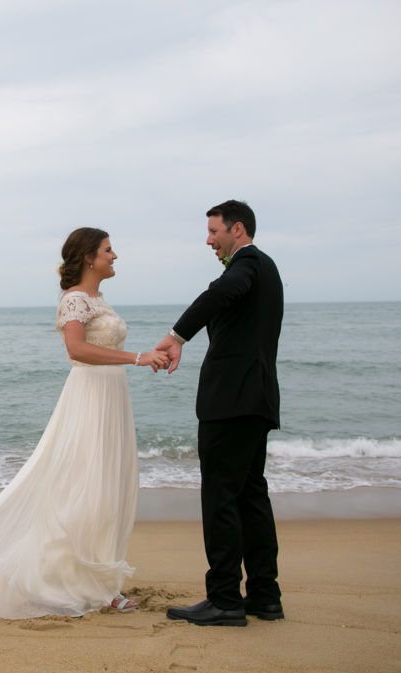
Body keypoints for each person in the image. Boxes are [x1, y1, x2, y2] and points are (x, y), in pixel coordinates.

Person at [0, 228, 170, 619]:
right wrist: (139, 357)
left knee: (108, 488)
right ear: (89, 258)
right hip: (89, 397)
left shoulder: (99, 299)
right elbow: (77, 349)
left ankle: (102, 581)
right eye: (108, 250)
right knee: (84, 488)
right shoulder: (74, 299)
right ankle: (72, 581)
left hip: (112, 396)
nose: (115, 256)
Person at [157, 200, 284, 627]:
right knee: (250, 496)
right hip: (256, 400)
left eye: (215, 232)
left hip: (231, 403)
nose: (209, 240)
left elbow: (221, 293)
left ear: (238, 229)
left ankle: (225, 598)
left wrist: (178, 335)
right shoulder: (266, 269)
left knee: (221, 499)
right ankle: (264, 595)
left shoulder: (247, 265)